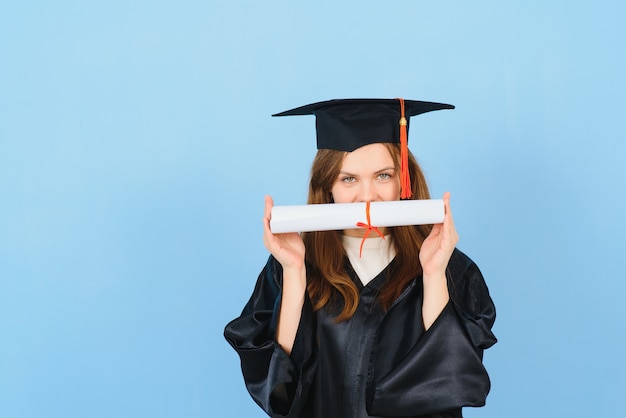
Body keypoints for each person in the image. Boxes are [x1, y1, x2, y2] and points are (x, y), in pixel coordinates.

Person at [224, 98, 497, 418]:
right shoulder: (289, 265)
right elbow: (280, 392)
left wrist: (434, 275)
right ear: (328, 187)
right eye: (349, 179)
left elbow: (449, 384)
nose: (367, 195)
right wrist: (295, 274)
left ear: (404, 181)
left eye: (383, 176)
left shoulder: (451, 267)